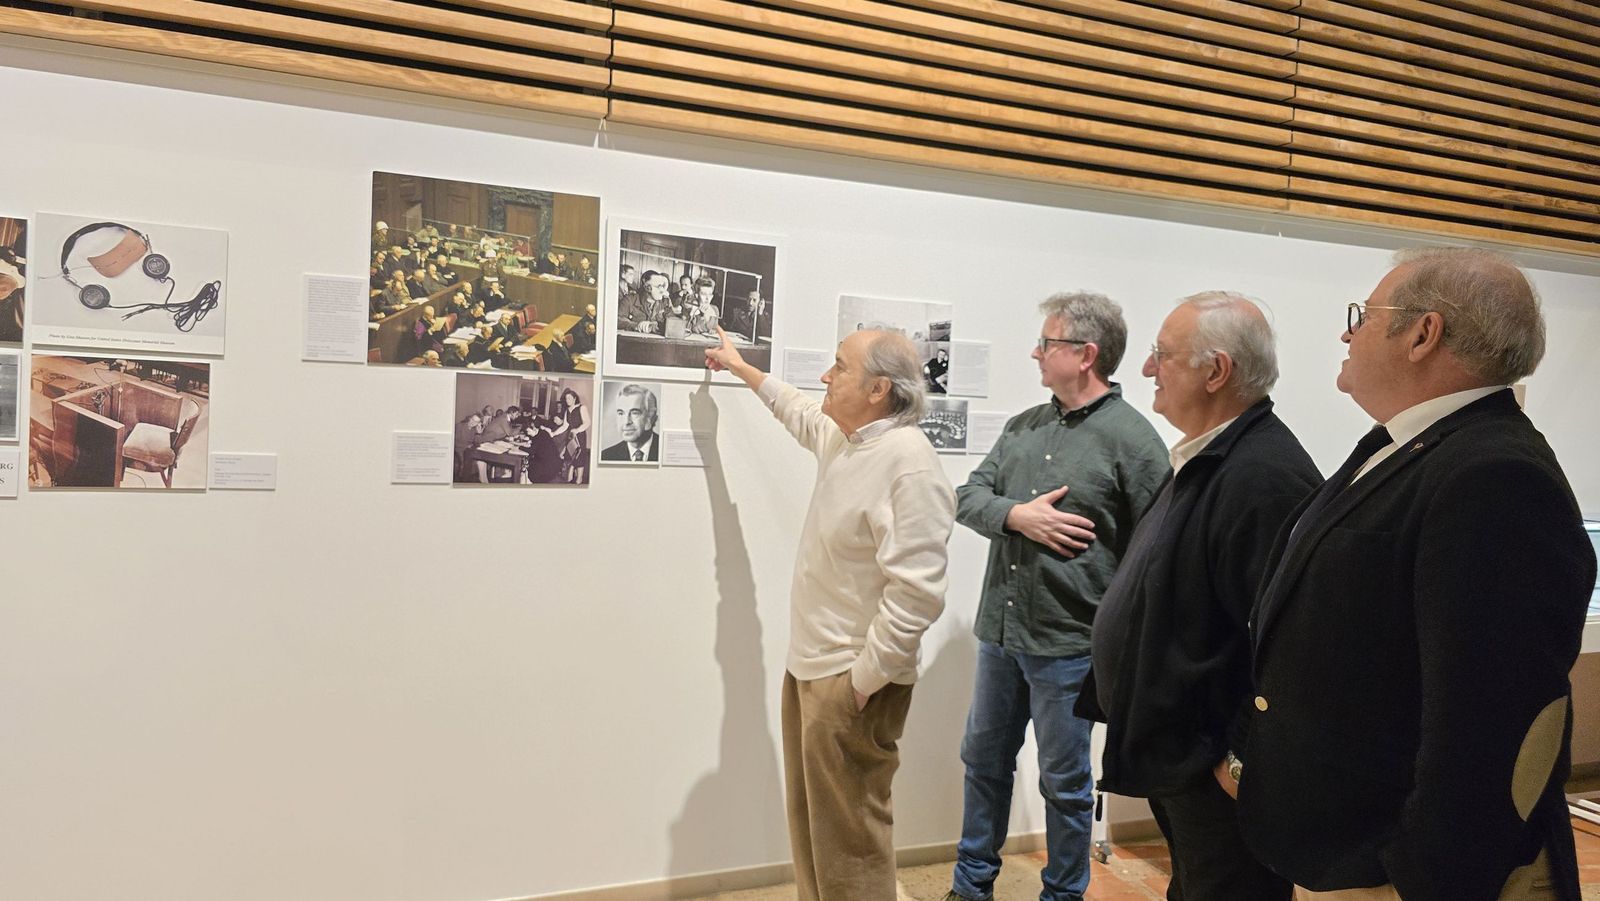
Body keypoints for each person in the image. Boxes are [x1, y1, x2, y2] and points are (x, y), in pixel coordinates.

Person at [1229, 248, 1595, 901]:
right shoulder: (1406, 446)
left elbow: (1489, 718)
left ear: (1424, 333)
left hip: (1395, 874)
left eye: (1362, 316)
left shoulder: (1494, 475)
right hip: (1341, 852)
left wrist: (1417, 875)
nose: (1347, 333)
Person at [1073, 292, 1317, 901]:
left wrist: (1235, 761)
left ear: (1217, 372)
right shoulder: (1211, 458)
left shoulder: (1262, 478)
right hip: (1183, 757)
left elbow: (1289, 646)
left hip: (1213, 772)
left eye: (1162, 355)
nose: (1148, 369)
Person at [706, 325, 956, 901]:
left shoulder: (908, 465)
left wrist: (863, 683)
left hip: (851, 681)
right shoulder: (851, 440)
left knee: (852, 841)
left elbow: (917, 594)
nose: (825, 375)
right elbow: (797, 411)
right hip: (812, 668)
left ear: (877, 389)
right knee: (814, 830)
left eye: (839, 366)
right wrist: (741, 368)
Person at [946, 291, 1169, 901]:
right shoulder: (1023, 427)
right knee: (983, 765)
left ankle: (1063, 895)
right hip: (1001, 635)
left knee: (1066, 783)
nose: (1035, 354)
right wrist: (1017, 515)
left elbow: (1158, 549)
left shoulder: (1134, 441)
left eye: (1046, 343)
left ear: (1085, 354)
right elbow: (967, 497)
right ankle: (971, 889)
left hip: (1070, 645)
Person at [600, 383, 659, 462]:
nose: (626, 422)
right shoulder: (606, 456)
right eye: (621, 413)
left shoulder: (664, 449)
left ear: (650, 418)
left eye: (635, 413)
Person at [620, 269, 669, 334]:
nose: (662, 290)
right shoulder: (630, 300)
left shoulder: (664, 302)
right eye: (659, 286)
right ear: (647, 287)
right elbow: (617, 319)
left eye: (662, 286)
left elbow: (674, 322)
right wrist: (636, 325)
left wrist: (657, 325)